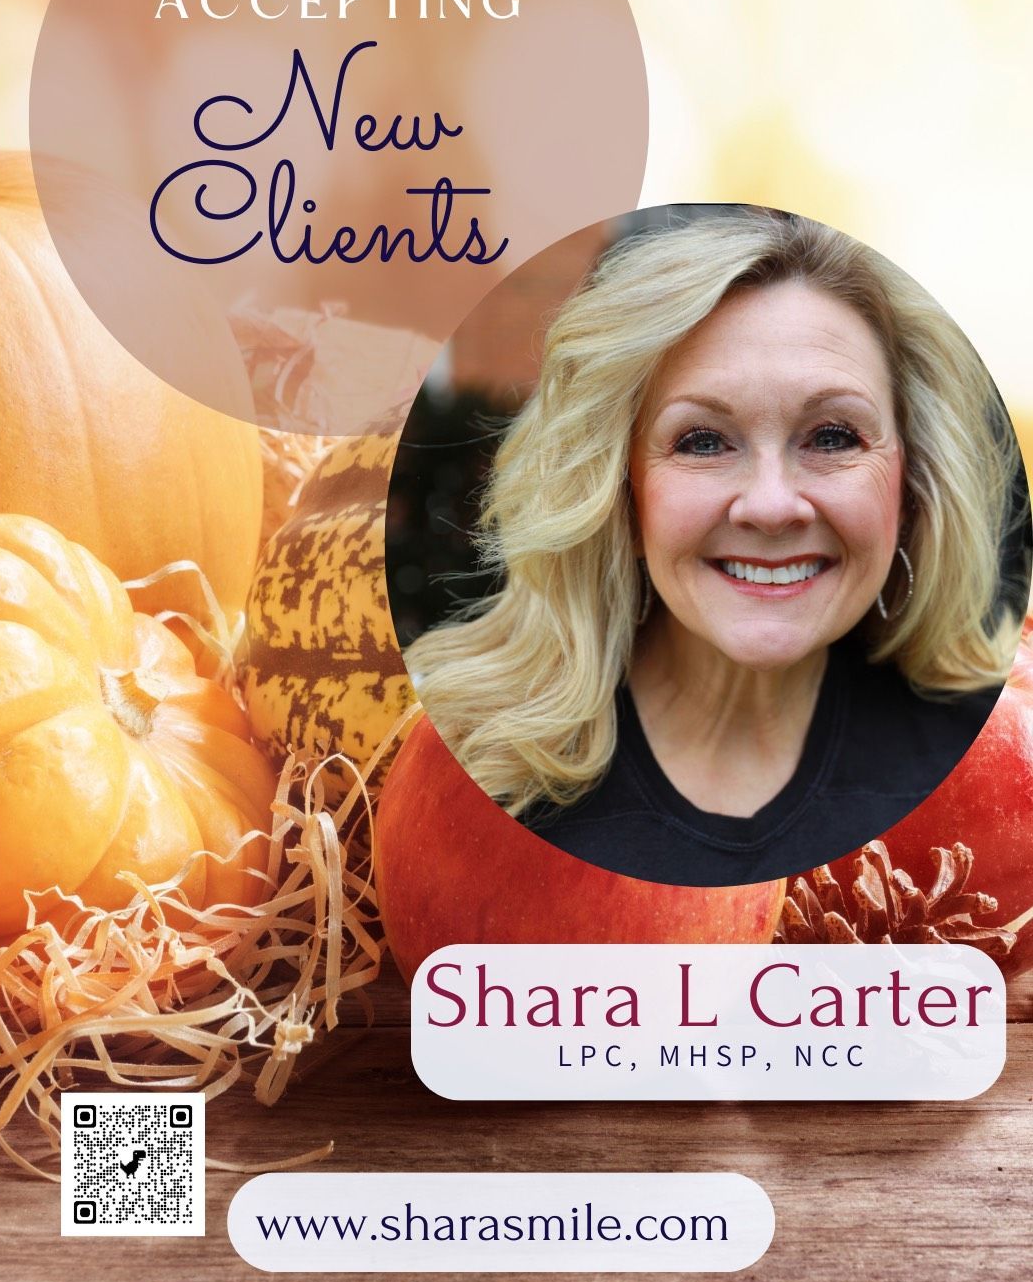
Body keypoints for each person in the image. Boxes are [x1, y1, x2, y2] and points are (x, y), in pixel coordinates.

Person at [405, 209, 1028, 886]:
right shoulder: (465, 762)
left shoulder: (995, 772)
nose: (769, 505)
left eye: (833, 437)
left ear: (911, 482)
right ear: (619, 487)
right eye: (702, 441)